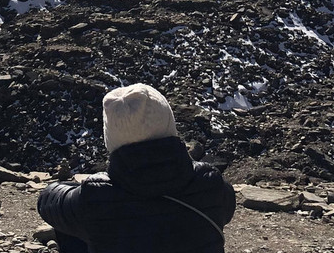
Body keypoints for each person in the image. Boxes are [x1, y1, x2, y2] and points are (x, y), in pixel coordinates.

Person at [37, 83, 236, 253]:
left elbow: (47, 201)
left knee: (73, 224)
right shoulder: (210, 184)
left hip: (94, 207)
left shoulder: (95, 197)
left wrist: (71, 185)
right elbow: (225, 212)